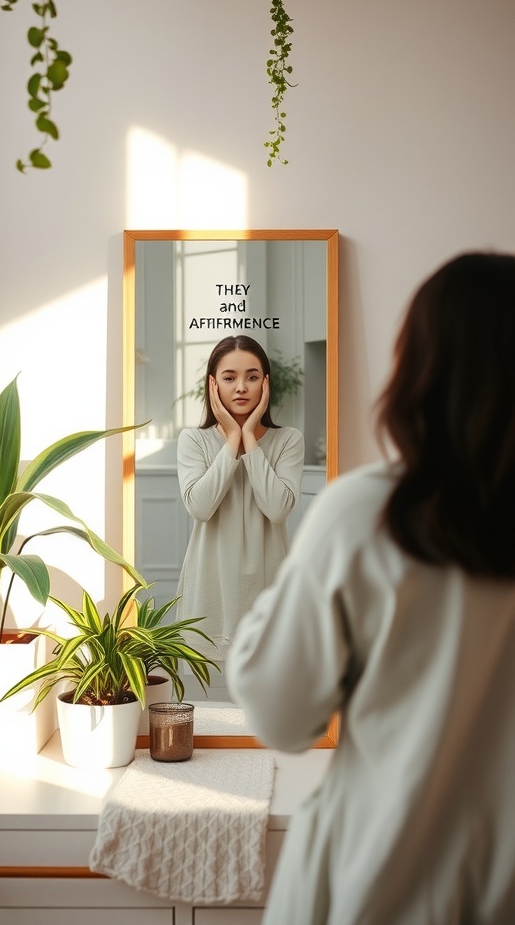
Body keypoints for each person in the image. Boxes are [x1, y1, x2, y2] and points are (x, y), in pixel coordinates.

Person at [226, 252, 515, 925]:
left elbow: (279, 715)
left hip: (375, 884)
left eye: (252, 375)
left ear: (419, 368)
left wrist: (289, 580)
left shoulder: (364, 515)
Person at [176, 334, 304, 661]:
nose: (241, 387)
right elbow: (200, 508)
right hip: (210, 592)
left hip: (269, 590)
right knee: (207, 692)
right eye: (229, 378)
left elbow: (277, 509)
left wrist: (250, 437)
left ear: (266, 384)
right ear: (213, 385)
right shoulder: (194, 440)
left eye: (252, 377)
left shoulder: (288, 440)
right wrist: (233, 438)